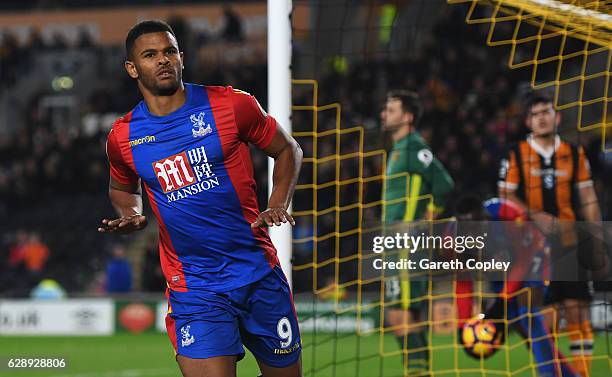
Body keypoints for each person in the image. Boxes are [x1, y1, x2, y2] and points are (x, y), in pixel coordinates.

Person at [98, 20, 303, 377]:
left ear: (182, 57)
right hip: (194, 288)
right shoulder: (123, 136)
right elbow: (122, 187)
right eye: (150, 55)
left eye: (169, 51)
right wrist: (131, 211)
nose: (163, 60)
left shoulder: (232, 104)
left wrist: (277, 203)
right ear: (132, 68)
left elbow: (288, 149)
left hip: (258, 274)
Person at [498, 92, 605, 377]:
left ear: (557, 117)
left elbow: (588, 197)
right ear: (528, 121)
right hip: (532, 247)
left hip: (570, 243)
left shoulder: (575, 152)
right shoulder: (517, 154)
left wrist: (597, 239)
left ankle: (582, 374)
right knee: (546, 317)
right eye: (535, 114)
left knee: (577, 312)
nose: (542, 117)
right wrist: (535, 215)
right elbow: (505, 196)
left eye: (546, 112)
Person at [454, 195, 579, 377]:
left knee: (527, 315)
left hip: (534, 260)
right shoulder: (452, 239)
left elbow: (523, 260)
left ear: (485, 218)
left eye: (476, 228)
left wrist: (502, 301)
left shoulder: (506, 214)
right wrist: (462, 325)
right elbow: (462, 280)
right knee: (529, 336)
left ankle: (548, 374)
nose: (472, 235)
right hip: (503, 274)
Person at [380, 90, 454, 374]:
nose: (385, 113)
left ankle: (418, 371)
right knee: (401, 313)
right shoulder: (398, 149)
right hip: (394, 242)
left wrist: (429, 216)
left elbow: (444, 183)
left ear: (408, 117)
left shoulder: (414, 147)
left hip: (406, 242)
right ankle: (419, 370)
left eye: (392, 109)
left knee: (401, 313)